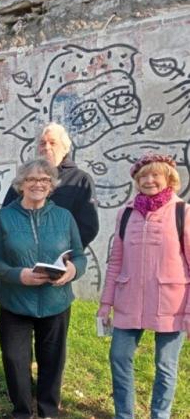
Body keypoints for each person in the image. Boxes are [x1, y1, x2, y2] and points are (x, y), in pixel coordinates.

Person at [0, 158, 87, 419]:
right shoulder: (2, 218)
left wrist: (71, 272)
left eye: (45, 180)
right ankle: (22, 411)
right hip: (15, 302)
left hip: (55, 301)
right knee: (14, 360)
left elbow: (79, 256)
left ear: (52, 185)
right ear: (21, 184)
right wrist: (17, 275)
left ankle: (48, 412)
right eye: (32, 179)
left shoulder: (64, 217)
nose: (38, 184)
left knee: (52, 362)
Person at [97, 153, 189, 419]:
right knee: (119, 357)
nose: (149, 180)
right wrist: (105, 304)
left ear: (169, 178)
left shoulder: (182, 211)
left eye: (155, 175)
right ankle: (124, 415)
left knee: (165, 365)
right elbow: (116, 260)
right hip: (129, 301)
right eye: (143, 176)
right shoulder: (125, 213)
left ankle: (160, 415)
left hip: (172, 302)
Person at [2, 123, 99, 248]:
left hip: (63, 260)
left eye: (52, 143)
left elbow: (89, 226)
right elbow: (6, 215)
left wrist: (67, 251)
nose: (46, 148)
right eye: (42, 143)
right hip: (24, 257)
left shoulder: (80, 181)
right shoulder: (24, 179)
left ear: (65, 149)